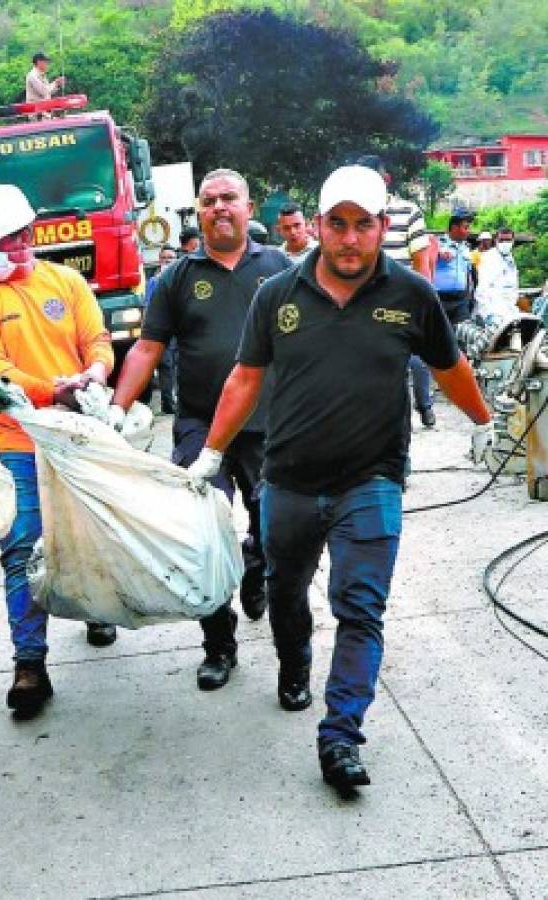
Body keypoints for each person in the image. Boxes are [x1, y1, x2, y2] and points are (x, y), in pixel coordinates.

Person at [187, 165, 491, 794]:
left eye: (365, 225)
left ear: (383, 228)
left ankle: (341, 735)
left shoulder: (411, 295)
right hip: (290, 483)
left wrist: (485, 422)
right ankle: (294, 662)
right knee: (286, 591)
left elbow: (449, 366)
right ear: (319, 227)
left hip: (371, 481)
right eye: (339, 225)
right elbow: (245, 379)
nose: (351, 239)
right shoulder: (277, 296)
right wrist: (211, 454)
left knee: (360, 608)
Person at [110, 168, 292, 690]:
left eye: (229, 198)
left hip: (269, 425)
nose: (219, 207)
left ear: (248, 207)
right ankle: (219, 645)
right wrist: (118, 409)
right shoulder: (176, 278)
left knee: (275, 531)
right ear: (199, 211)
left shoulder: (280, 268)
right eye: (209, 200)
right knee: (201, 539)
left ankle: (255, 564)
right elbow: (147, 347)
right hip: (198, 428)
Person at [0, 183, 116, 718]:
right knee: (21, 548)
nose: (13, 248)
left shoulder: (65, 281)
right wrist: (54, 389)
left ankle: (96, 609)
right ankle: (29, 663)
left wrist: (93, 372)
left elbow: (97, 341)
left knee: (88, 533)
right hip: (17, 440)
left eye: (19, 238)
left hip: (73, 437)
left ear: (30, 233)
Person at [356, 155, 436, 429]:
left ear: (386, 179)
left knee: (412, 363)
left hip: (400, 305)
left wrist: (421, 308)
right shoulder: (350, 216)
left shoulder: (408, 212)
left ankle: (423, 407)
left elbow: (422, 265)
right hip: (361, 308)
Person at [145, 245, 178, 414]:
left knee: (177, 366)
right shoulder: (154, 281)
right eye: (164, 258)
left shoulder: (181, 278)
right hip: (163, 331)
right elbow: (149, 306)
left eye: (170, 258)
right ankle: (168, 403)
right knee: (166, 366)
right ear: (159, 260)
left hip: (180, 330)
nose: (167, 261)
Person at [434, 213, 475, 328]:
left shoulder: (466, 247)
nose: (469, 231)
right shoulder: (437, 243)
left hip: (461, 300)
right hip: (440, 299)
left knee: (464, 334)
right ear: (454, 228)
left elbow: (468, 274)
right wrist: (438, 253)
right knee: (440, 336)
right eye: (465, 227)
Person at [475, 226, 520, 323]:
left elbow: (513, 286)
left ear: (513, 241)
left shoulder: (510, 259)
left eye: (508, 240)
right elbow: (482, 289)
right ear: (496, 241)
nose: (505, 243)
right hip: (493, 311)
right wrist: (487, 314)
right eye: (502, 240)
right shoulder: (488, 258)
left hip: (510, 309)